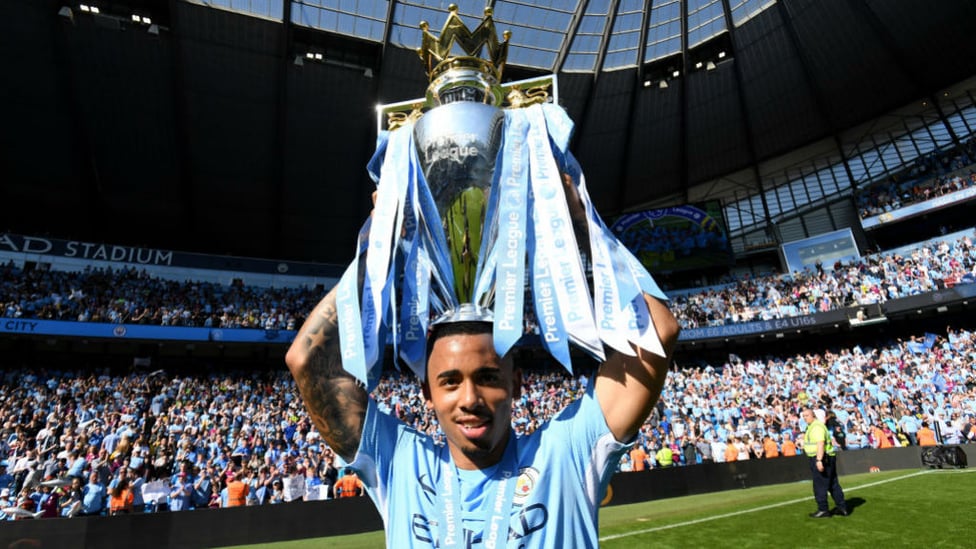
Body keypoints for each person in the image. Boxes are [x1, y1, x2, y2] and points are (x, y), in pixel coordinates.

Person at [286, 182, 680, 547]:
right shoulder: (400, 463)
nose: (470, 398)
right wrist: (378, 245)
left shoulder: (564, 454)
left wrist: (574, 220)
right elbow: (307, 361)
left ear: (517, 383)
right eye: (450, 381)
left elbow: (658, 331)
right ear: (427, 391)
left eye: (488, 377)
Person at [801, 408, 848, 518]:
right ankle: (842, 507)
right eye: (803, 416)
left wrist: (819, 460)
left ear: (813, 415)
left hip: (821, 458)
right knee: (833, 484)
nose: (804, 418)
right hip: (827, 457)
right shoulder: (815, 426)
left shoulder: (816, 427)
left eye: (807, 415)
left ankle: (823, 509)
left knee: (820, 484)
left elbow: (820, 444)